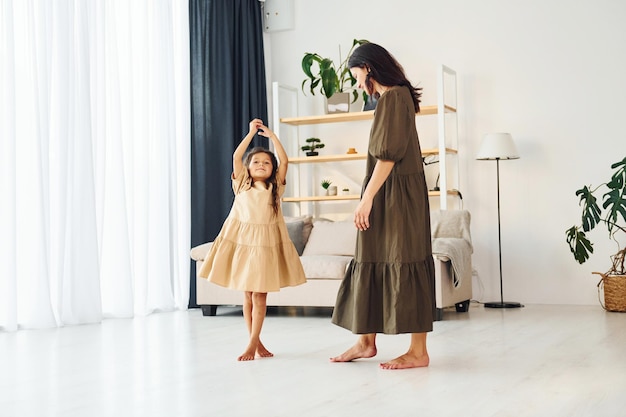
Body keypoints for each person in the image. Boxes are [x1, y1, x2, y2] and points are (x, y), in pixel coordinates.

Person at [330, 43, 436, 370]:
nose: (360, 85)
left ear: (370, 69)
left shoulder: (394, 98)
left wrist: (366, 199)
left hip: (396, 197)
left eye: (359, 77)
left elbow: (387, 155)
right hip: (389, 193)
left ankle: (418, 351)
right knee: (373, 257)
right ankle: (366, 341)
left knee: (406, 257)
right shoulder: (395, 98)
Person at [199, 119, 306, 361]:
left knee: (260, 295)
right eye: (256, 161)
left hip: (264, 246)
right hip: (243, 244)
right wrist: (250, 134)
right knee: (247, 295)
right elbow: (238, 157)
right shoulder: (242, 185)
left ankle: (252, 344)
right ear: (247, 168)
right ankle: (254, 342)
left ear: (272, 169)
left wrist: (271, 136)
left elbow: (285, 160)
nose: (261, 164)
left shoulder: (276, 188)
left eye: (267, 163)